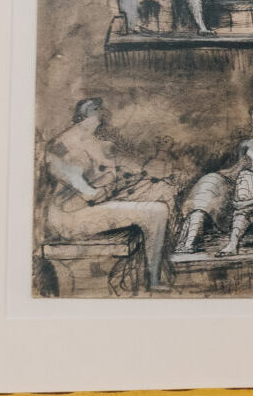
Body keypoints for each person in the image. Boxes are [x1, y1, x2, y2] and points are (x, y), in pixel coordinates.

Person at [41, 97, 176, 288]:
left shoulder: (95, 142)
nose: (103, 118)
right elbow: (88, 194)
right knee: (156, 212)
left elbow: (129, 170)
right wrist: (118, 185)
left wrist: (157, 160)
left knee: (160, 202)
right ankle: (153, 280)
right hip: (70, 217)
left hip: (91, 207)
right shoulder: (63, 145)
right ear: (89, 115)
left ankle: (154, 278)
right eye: (98, 113)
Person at [180, 103, 253, 256]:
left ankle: (232, 245)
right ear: (252, 118)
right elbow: (233, 176)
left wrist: (248, 202)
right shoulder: (246, 145)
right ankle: (189, 240)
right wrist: (235, 168)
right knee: (211, 179)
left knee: (246, 177)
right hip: (246, 207)